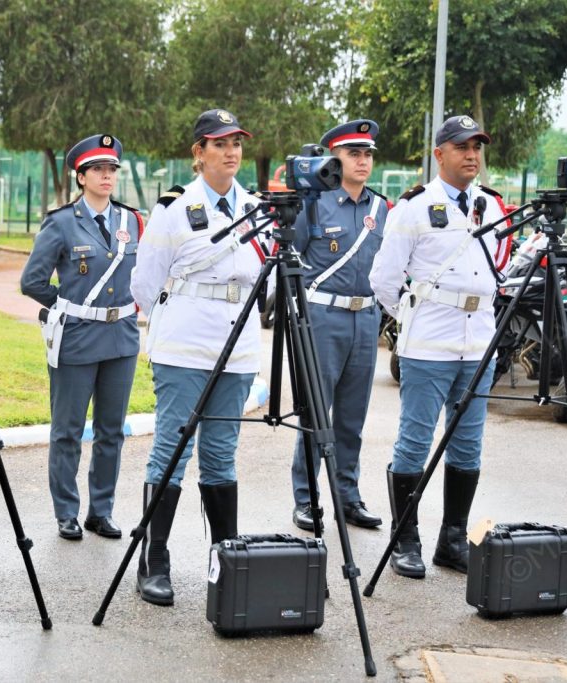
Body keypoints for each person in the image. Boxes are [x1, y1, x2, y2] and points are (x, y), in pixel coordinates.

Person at [131, 109, 267, 606]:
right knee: (172, 449)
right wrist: (179, 324)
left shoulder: (256, 208)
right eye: (219, 143)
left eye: (237, 143)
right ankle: (155, 559)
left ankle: (224, 557)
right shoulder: (173, 208)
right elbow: (144, 285)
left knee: (220, 454)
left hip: (238, 345)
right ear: (198, 152)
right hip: (185, 346)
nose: (231, 151)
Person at [368, 115, 511, 579]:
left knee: (468, 445)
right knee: (414, 442)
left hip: (477, 340)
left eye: (477, 147)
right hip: (429, 341)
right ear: (439, 154)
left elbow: (499, 270)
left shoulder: (492, 206)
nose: (472, 155)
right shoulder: (413, 207)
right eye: (462, 146)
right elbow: (384, 281)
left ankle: (453, 539)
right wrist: (411, 318)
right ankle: (404, 538)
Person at [20, 134, 143, 541]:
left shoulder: (131, 221)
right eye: (98, 170)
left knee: (112, 430)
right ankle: (66, 512)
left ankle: (100, 511)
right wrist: (68, 305)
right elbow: (32, 281)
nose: (106, 176)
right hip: (76, 337)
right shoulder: (61, 223)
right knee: (68, 429)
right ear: (81, 176)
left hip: (121, 338)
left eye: (111, 169)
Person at [290, 119, 389, 533]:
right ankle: (306, 498)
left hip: (365, 318)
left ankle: (348, 496)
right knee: (317, 412)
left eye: (367, 153)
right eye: (353, 153)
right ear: (334, 157)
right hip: (322, 318)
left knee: (352, 416)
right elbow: (288, 261)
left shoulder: (382, 207)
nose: (362, 160)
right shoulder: (312, 203)